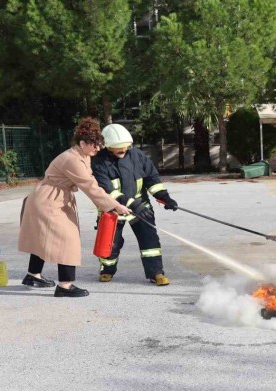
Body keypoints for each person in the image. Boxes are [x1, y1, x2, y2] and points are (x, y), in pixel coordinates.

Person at [18, 117, 130, 297]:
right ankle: (65, 286)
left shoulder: (82, 155)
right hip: (49, 200)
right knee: (68, 239)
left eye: (99, 144)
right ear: (83, 143)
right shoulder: (72, 159)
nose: (98, 148)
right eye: (94, 145)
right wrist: (115, 206)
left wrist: (111, 204)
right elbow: (90, 186)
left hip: (50, 197)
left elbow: (91, 182)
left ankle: (33, 275)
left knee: (43, 237)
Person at [92, 124, 179, 286]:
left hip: (140, 205)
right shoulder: (98, 162)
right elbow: (107, 192)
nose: (123, 150)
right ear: (108, 146)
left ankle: (156, 273)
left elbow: (152, 179)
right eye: (118, 148)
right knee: (111, 242)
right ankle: (107, 270)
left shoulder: (137, 156)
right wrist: (133, 205)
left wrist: (164, 197)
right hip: (113, 209)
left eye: (125, 147)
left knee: (150, 240)